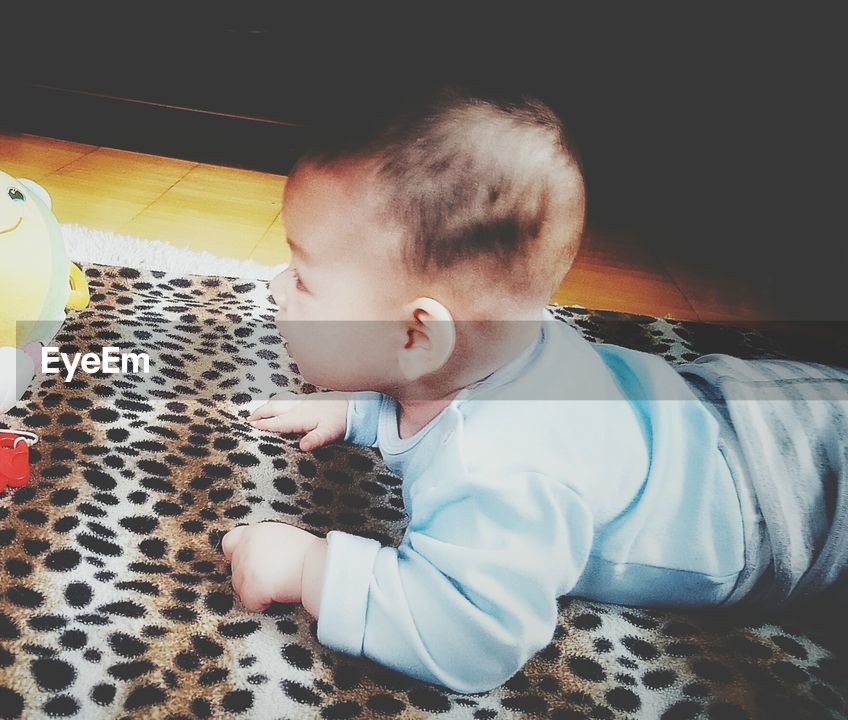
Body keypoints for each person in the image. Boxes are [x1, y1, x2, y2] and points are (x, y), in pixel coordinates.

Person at [220, 92, 848, 692]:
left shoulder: (502, 471)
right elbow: (424, 389)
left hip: (792, 506)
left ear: (416, 336)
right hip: (741, 407)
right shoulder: (496, 347)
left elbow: (473, 636)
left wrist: (309, 568)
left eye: (302, 276)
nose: (275, 286)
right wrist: (361, 407)